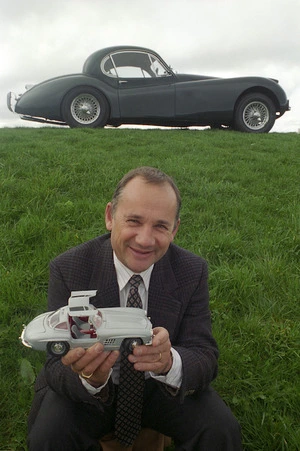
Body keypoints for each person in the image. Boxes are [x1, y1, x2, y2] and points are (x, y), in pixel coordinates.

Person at [27, 166, 242, 450]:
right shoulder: (70, 268)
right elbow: (55, 365)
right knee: (49, 436)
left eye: (160, 226)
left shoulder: (192, 271)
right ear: (109, 217)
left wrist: (169, 361)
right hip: (90, 392)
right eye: (134, 221)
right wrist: (89, 378)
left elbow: (205, 355)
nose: (144, 239)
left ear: (175, 229)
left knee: (221, 430)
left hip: (159, 387)